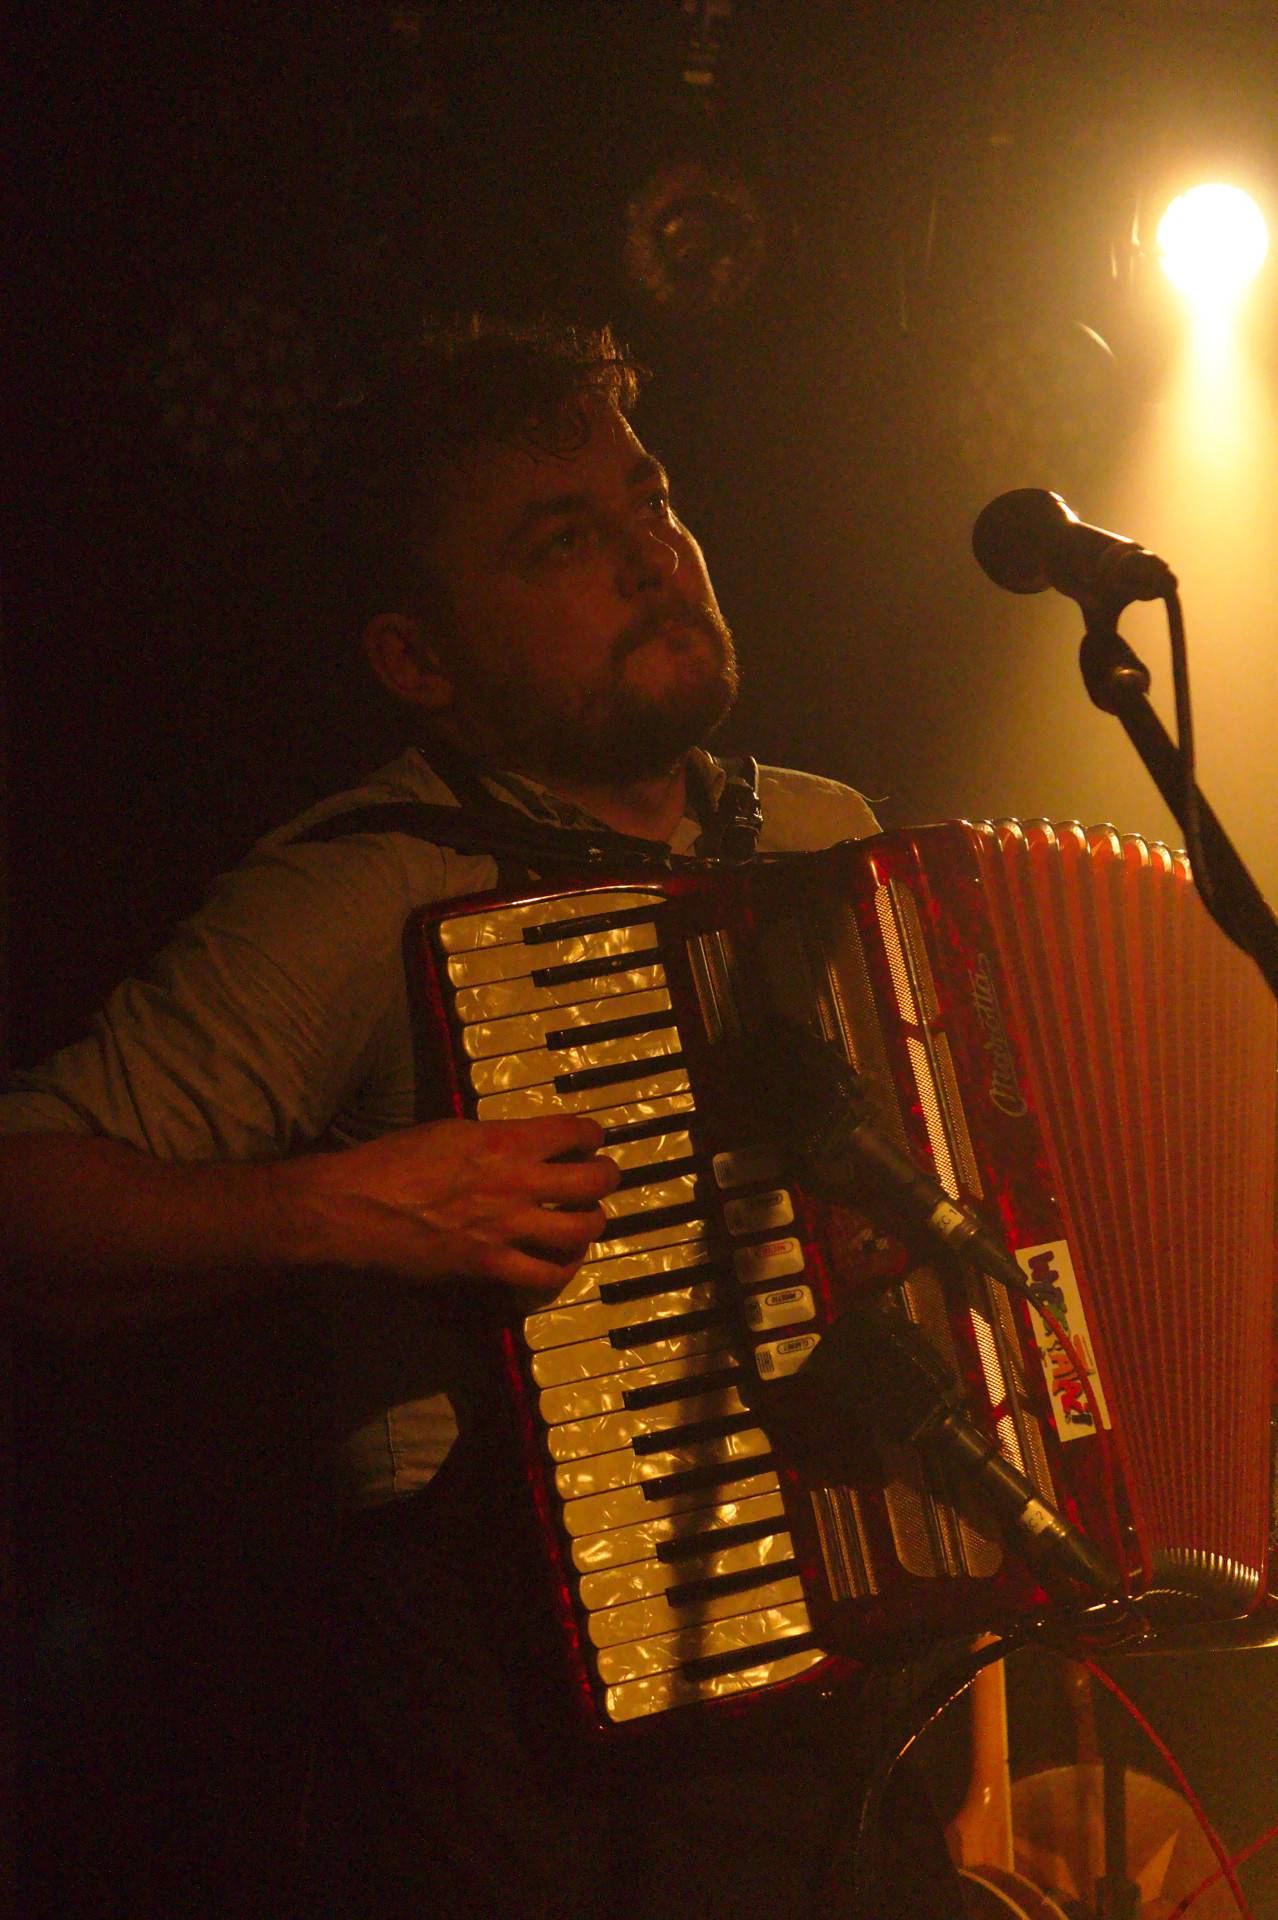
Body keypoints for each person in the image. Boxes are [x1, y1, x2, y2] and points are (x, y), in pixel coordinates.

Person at [2, 322, 966, 1918]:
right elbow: (27, 1188)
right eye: (563, 541)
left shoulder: (823, 834)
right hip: (527, 1756)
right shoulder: (364, 891)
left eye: (652, 501)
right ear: (419, 662)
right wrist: (333, 1210)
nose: (652, 558)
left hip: (855, 1706)